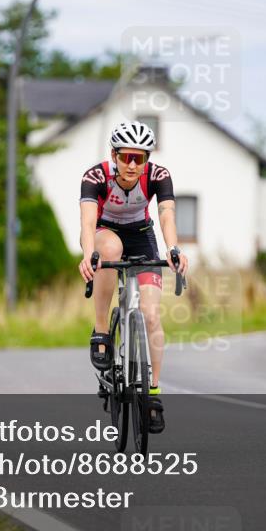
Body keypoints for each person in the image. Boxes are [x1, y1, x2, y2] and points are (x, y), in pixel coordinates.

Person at [77, 120, 189, 434]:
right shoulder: (95, 177)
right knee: (110, 248)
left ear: (146, 160)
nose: (131, 164)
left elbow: (166, 214)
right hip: (104, 233)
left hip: (142, 236)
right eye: (126, 157)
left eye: (139, 158)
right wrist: (88, 255)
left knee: (151, 315)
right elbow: (87, 223)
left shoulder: (158, 175)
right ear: (114, 156)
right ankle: (102, 330)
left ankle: (153, 392)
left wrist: (173, 248)